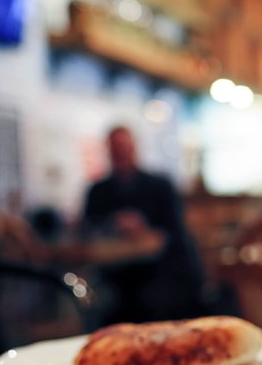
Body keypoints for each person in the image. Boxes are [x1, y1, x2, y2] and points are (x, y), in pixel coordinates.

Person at [82, 126, 206, 324]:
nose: (121, 154)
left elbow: (176, 234)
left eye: (124, 148)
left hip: (159, 272)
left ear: (134, 148)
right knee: (103, 301)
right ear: (109, 152)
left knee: (157, 295)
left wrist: (144, 229)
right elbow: (86, 231)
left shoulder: (160, 186)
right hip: (115, 275)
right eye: (116, 149)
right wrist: (112, 224)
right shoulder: (98, 191)